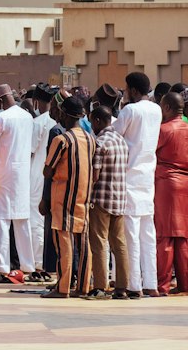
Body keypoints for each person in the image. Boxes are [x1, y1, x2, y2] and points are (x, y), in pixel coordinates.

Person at [114, 71, 162, 297]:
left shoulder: (130, 110)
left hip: (129, 177)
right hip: (147, 176)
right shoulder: (157, 109)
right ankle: (150, 283)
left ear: (133, 90)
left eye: (126, 89)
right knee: (147, 233)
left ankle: (134, 284)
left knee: (131, 234)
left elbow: (115, 135)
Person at [41, 94, 94, 299]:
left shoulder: (61, 140)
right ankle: (83, 286)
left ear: (63, 113)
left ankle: (62, 288)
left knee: (64, 242)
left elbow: (47, 171)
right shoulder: (90, 139)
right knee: (83, 243)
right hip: (83, 196)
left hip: (63, 198)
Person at [0, 86, 35, 285]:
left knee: (1, 221)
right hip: (23, 173)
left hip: (3, 173)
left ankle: (3, 267)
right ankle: (28, 266)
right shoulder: (27, 117)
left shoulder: (1, 119)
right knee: (22, 220)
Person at [87, 102, 130, 298]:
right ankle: (122, 287)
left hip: (101, 200)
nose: (92, 127)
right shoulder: (121, 140)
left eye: (92, 122)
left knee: (98, 243)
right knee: (119, 244)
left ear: (98, 121)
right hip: (120, 199)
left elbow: (95, 175)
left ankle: (101, 286)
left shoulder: (100, 143)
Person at [154, 90, 188, 296]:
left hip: (167, 184)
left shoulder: (163, 130)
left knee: (165, 236)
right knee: (183, 237)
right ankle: (185, 284)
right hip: (186, 183)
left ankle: (162, 285)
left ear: (167, 108)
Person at [29, 84, 56, 273]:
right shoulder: (57, 121)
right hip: (53, 175)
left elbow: (29, 152)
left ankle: (38, 261)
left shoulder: (38, 122)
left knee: (36, 219)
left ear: (36, 102)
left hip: (37, 175)